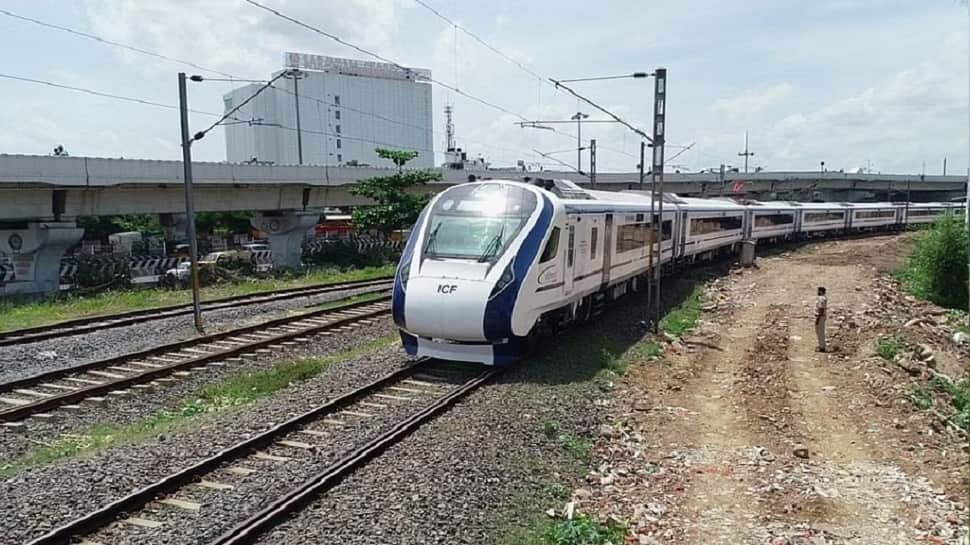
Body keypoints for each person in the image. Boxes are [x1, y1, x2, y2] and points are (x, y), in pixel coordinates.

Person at [814, 286, 827, 352]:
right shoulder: (822, 298)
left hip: (820, 316)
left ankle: (822, 347)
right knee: (819, 331)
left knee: (820, 332)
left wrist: (818, 318)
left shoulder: (821, 298)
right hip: (821, 316)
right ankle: (821, 345)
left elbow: (821, 309)